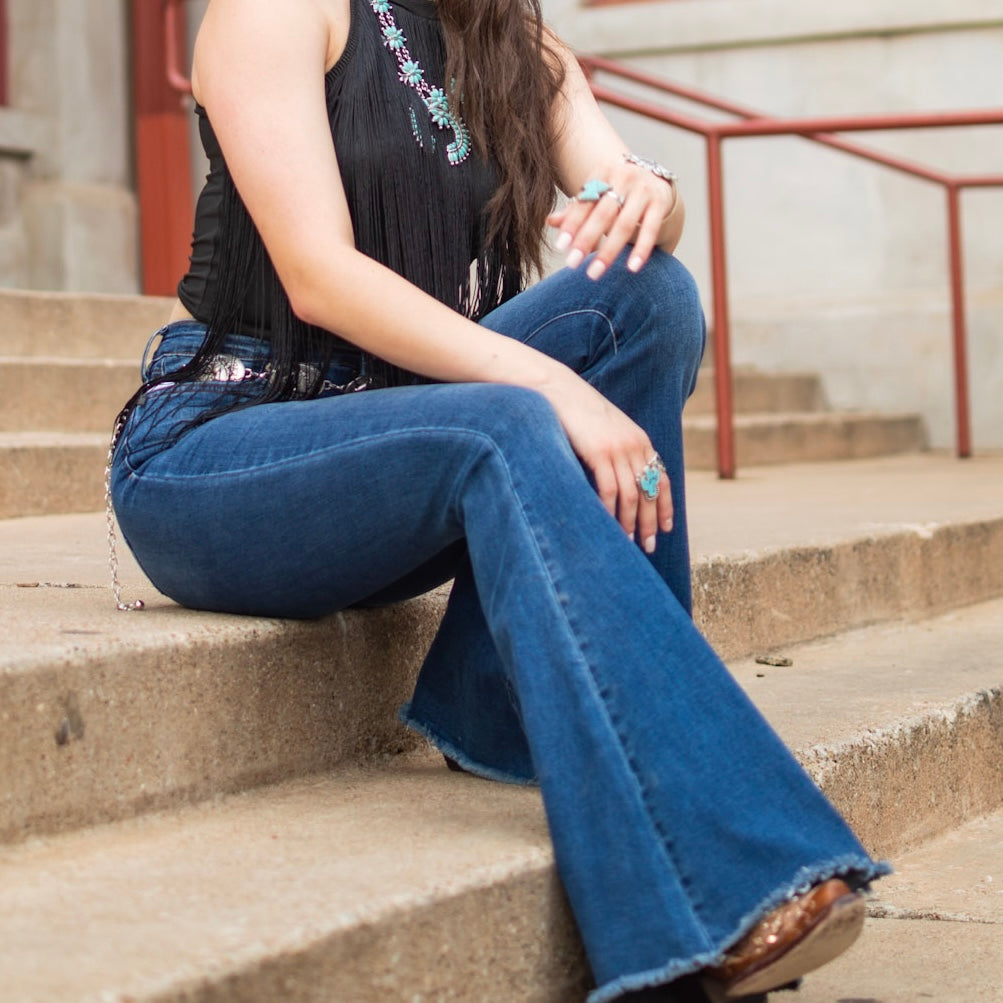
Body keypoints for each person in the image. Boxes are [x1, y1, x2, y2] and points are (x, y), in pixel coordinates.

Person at [107, 0, 889, 999]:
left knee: (648, 298)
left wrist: (646, 192)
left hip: (411, 429)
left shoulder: (510, 39)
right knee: (506, 421)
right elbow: (318, 278)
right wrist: (547, 382)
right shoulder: (279, 9)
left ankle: (499, 711)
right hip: (219, 449)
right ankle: (709, 887)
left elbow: (621, 192)